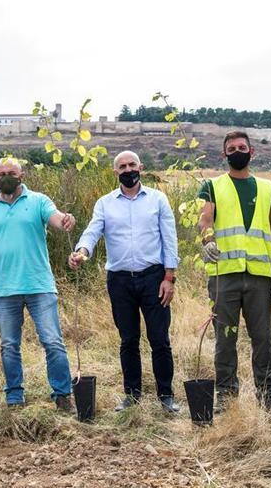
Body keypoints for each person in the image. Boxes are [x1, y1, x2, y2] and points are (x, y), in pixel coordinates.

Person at [69, 151, 181, 414]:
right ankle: (132, 396)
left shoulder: (157, 199)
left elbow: (170, 239)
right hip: (120, 281)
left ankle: (166, 396)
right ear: (114, 171)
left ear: (141, 167)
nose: (128, 169)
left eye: (132, 165)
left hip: (154, 278)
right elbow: (93, 231)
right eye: (122, 166)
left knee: (160, 339)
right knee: (128, 340)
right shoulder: (105, 203)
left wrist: (169, 277)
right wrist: (82, 251)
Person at [0, 157, 77, 411]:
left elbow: (55, 218)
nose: (6, 176)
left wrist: (65, 220)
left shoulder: (38, 201)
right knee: (9, 345)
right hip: (4, 288)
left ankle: (63, 395)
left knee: (52, 341)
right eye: (1, 173)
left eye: (12, 172)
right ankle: (15, 397)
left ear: (22, 175)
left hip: (39, 286)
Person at [196, 130, 271, 413]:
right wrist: (207, 241)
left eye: (242, 147)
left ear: (251, 152)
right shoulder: (212, 186)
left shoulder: (268, 189)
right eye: (231, 148)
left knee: (263, 339)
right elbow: (205, 220)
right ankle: (226, 396)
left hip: (259, 276)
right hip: (225, 276)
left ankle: (268, 397)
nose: (237, 151)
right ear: (224, 155)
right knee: (225, 338)